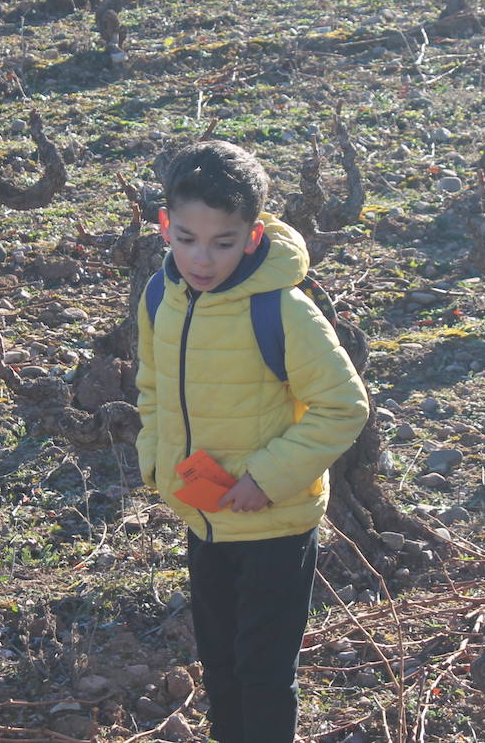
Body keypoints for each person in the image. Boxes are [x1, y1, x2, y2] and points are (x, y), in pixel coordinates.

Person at [136, 140, 371, 743]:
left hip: (274, 523)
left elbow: (343, 406)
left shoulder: (282, 309)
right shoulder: (162, 296)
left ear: (254, 235)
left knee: (264, 673)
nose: (203, 259)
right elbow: (153, 385)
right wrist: (156, 462)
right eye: (186, 238)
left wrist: (265, 477)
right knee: (220, 669)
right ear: (165, 224)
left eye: (223, 242)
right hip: (202, 515)